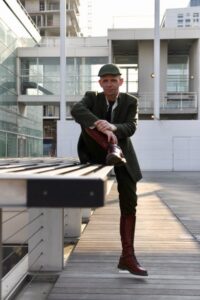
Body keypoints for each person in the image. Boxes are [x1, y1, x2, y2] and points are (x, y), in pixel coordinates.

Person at [71, 63, 148, 276]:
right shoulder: (91, 97)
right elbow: (76, 110)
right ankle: (111, 147)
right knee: (84, 119)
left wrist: (113, 127)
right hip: (96, 152)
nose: (109, 84)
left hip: (123, 158)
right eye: (105, 80)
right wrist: (100, 124)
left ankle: (128, 256)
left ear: (121, 82)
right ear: (100, 83)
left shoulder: (131, 102)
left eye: (113, 80)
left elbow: (131, 127)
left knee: (130, 204)